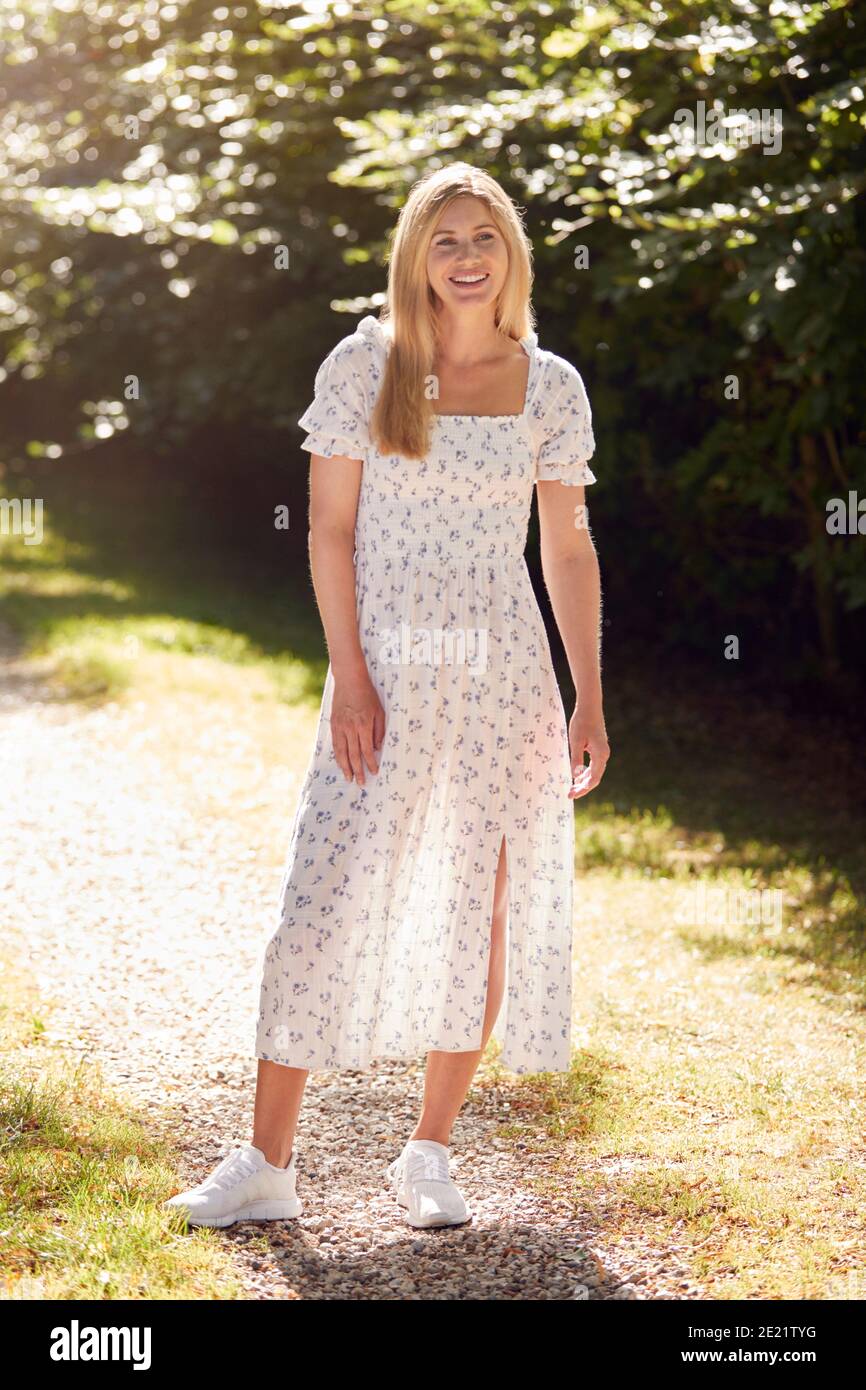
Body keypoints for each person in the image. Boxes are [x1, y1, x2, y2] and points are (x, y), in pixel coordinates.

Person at [165, 163, 610, 1233]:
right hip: (387, 668)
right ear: (415, 256)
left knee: (478, 907)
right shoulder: (365, 366)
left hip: (503, 671)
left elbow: (566, 543)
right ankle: (267, 1160)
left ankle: (429, 1152)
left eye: (484, 238)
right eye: (445, 240)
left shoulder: (548, 383)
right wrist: (352, 678)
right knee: (319, 897)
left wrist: (585, 696)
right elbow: (329, 531)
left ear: (511, 256)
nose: (466, 258)